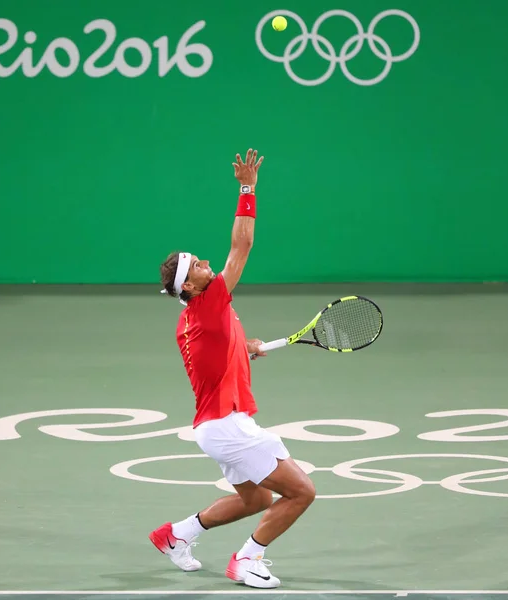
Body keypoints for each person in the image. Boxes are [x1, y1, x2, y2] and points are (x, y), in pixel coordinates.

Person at [150, 149, 315, 589]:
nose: (207, 264)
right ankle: (247, 559)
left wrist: (244, 347)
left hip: (216, 426)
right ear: (189, 285)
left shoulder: (193, 320)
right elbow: (241, 246)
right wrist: (247, 188)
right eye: (198, 266)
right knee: (301, 492)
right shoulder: (209, 301)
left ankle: (175, 535)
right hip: (228, 426)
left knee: (257, 497)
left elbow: (217, 354)